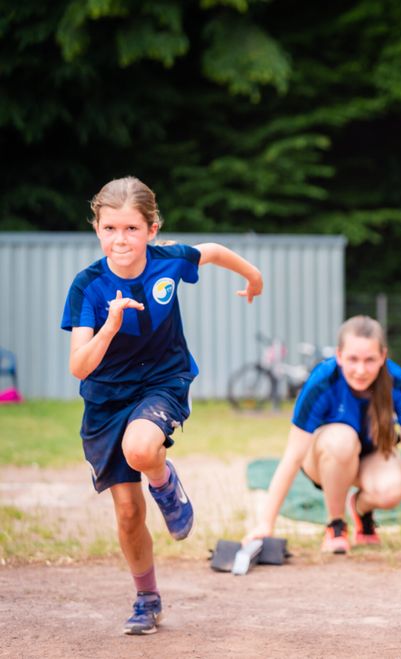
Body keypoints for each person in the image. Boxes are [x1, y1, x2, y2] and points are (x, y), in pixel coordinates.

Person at [61, 176, 263, 635]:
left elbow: (211, 251)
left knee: (142, 448)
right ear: (97, 228)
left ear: (152, 230)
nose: (120, 239)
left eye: (131, 228)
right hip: (106, 400)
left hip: (163, 382)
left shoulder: (169, 261)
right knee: (129, 513)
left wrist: (253, 277)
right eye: (110, 228)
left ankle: (166, 484)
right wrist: (110, 326)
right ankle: (147, 599)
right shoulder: (88, 287)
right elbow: (78, 366)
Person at [246, 315, 401, 554]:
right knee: (342, 439)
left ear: (383, 356)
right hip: (324, 459)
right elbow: (293, 457)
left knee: (391, 489)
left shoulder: (400, 383)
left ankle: (360, 508)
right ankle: (336, 524)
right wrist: (266, 523)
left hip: (369, 458)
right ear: (339, 356)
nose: (360, 370)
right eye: (353, 359)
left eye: (370, 360)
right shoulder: (321, 381)